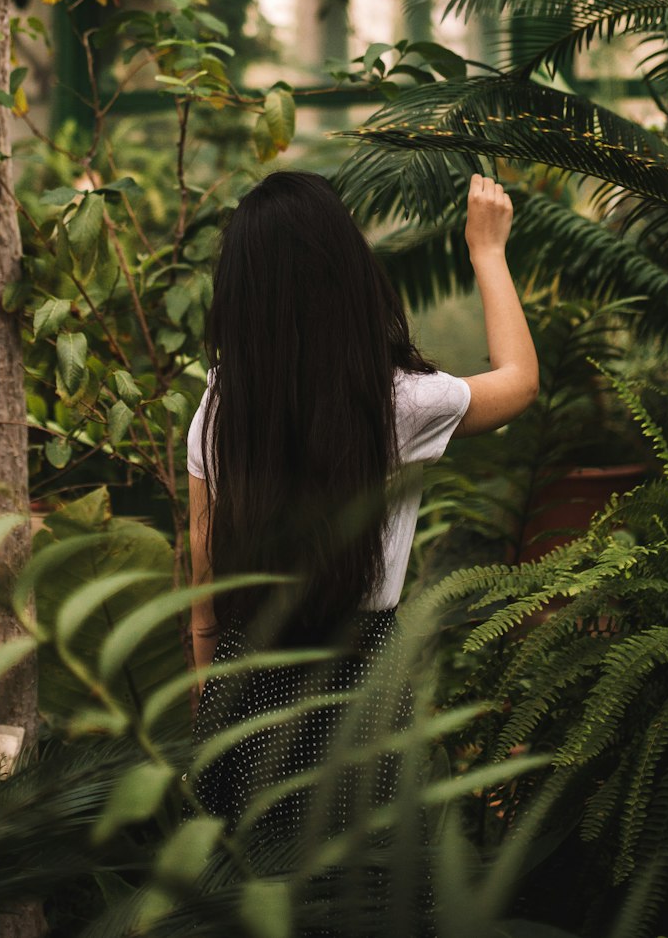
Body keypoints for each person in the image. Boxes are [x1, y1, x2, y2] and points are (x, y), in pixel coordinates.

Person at [184, 168, 539, 853]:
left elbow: (204, 576)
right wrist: (487, 251)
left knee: (254, 891)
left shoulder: (222, 405)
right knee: (365, 890)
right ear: (346, 276)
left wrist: (206, 690)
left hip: (242, 677)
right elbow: (519, 381)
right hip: (359, 686)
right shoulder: (396, 403)